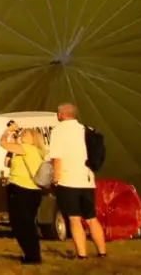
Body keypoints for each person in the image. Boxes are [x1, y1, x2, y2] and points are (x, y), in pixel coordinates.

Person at [49, 103, 106, 259]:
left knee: (74, 218)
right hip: (87, 179)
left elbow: (57, 158)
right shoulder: (84, 129)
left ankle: (82, 254)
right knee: (91, 218)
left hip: (68, 180)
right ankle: (102, 252)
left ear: (60, 115)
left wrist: (55, 178)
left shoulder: (58, 131)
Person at [0, 122, 47, 264]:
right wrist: (13, 145)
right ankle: (32, 255)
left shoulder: (27, 148)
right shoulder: (24, 151)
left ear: (34, 138)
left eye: (25, 133)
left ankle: (32, 256)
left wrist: (8, 131)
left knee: (21, 225)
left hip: (22, 190)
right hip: (29, 191)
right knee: (25, 224)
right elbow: (6, 162)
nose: (22, 134)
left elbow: (2, 143)